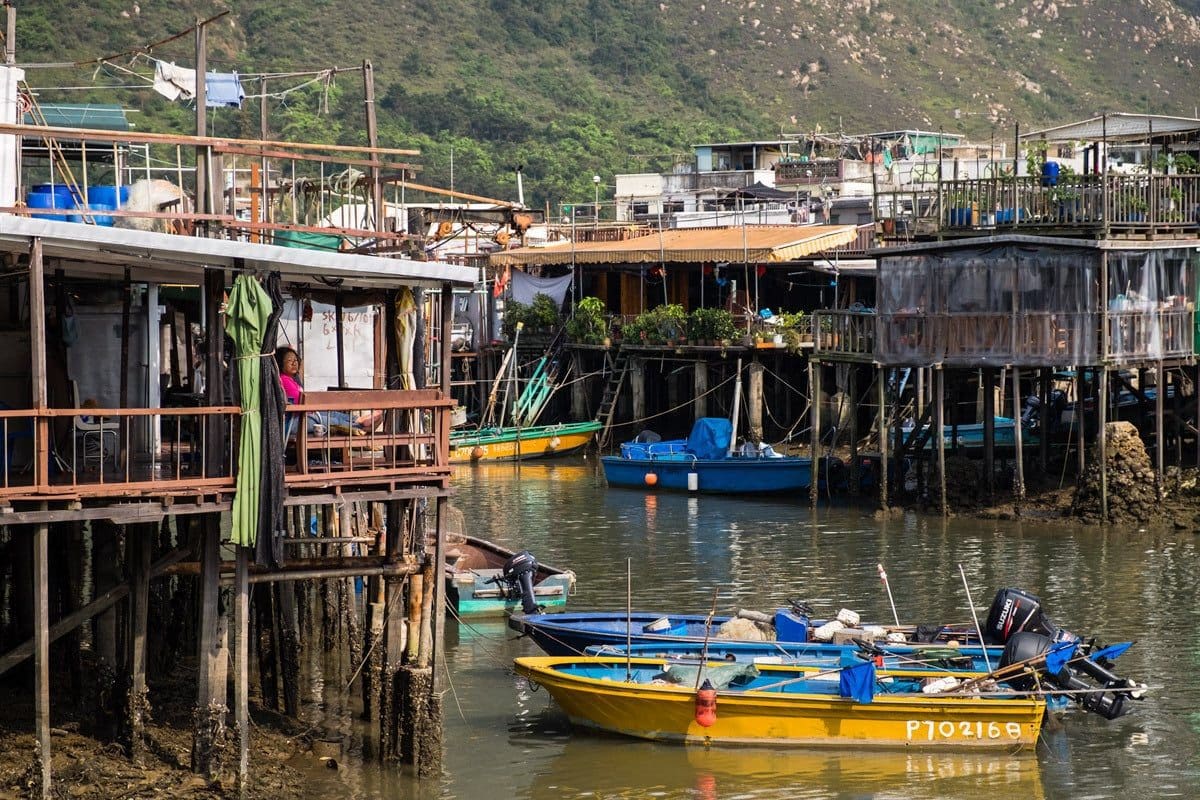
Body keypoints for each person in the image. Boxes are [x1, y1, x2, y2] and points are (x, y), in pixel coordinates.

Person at [274, 346, 383, 436]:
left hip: (300, 417)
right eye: (289, 360)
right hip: (293, 422)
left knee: (332, 414)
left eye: (295, 360)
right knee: (332, 420)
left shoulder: (291, 380)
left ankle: (358, 420)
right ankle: (360, 426)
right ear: (280, 363)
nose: (294, 363)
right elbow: (302, 401)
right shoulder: (284, 380)